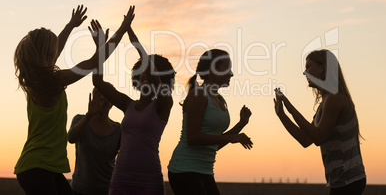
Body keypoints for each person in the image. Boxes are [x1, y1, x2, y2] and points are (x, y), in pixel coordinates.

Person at [14, 5, 135, 195]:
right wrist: (120, 30)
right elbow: (94, 62)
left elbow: (56, 49)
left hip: (40, 166)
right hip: (38, 167)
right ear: (45, 54)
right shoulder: (53, 81)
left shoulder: (35, 81)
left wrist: (70, 25)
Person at [92, 21, 176, 195]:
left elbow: (155, 77)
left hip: (149, 179)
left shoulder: (164, 104)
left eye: (149, 70)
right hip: (121, 176)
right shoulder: (127, 104)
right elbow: (98, 81)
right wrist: (100, 48)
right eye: (141, 72)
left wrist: (135, 41)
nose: (144, 74)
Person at [273, 49, 366, 195]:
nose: (305, 73)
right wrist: (282, 115)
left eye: (308, 67)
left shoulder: (334, 99)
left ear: (323, 67)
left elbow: (318, 137)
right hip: (342, 180)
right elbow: (305, 140)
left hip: (349, 180)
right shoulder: (326, 102)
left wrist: (289, 107)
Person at [168, 49, 253, 195]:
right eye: (227, 68)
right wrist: (231, 137)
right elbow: (192, 138)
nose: (231, 74)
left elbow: (214, 145)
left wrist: (241, 123)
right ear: (213, 70)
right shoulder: (198, 95)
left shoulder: (220, 100)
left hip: (205, 171)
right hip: (184, 169)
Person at [68, 87, 121, 195]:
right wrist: (89, 115)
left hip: (106, 190)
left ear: (112, 103)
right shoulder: (80, 119)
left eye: (106, 97)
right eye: (99, 96)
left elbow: (125, 158)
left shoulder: (118, 130)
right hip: (79, 190)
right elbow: (71, 138)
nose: (102, 99)